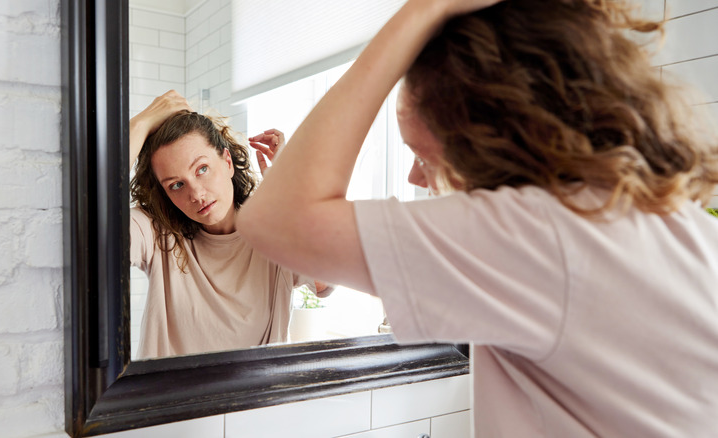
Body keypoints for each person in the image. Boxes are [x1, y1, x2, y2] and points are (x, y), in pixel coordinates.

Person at [237, 0, 718, 436]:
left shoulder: (539, 236)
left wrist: (421, 11)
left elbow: (275, 221)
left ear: (486, 135)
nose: (415, 178)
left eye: (424, 156)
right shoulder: (673, 221)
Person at [129, 91, 328, 359]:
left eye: (202, 169)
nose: (196, 194)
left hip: (259, 401)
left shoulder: (275, 230)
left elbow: (326, 280)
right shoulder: (156, 232)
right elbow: (95, 231)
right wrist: (138, 125)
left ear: (227, 161)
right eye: (176, 185)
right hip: (167, 401)